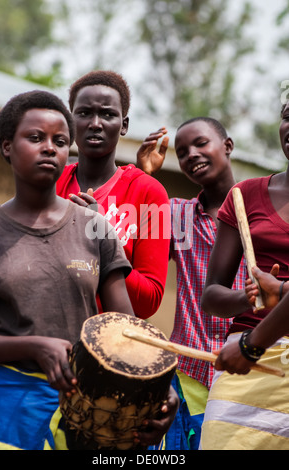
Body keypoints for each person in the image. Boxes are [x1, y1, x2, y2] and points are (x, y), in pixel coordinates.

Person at [0, 90, 171, 451]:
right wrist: (32, 347)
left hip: (90, 413)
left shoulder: (96, 228)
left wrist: (160, 394)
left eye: (59, 141)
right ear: (7, 146)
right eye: (35, 138)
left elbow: (129, 333)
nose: (49, 148)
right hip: (6, 409)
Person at [136, 118, 247, 450]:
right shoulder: (176, 215)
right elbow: (132, 238)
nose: (192, 155)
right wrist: (144, 176)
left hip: (250, 370)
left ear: (227, 145)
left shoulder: (260, 209)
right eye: (182, 152)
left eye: (201, 143)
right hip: (188, 374)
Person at [200, 99, 289, 450]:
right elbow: (211, 296)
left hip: (250, 349)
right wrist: (249, 297)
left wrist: (280, 292)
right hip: (244, 368)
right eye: (287, 116)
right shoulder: (246, 195)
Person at [56, 70, 171, 320]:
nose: (95, 123)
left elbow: (149, 301)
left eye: (108, 114)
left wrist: (102, 238)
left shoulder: (151, 193)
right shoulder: (52, 183)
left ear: (124, 125)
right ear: (70, 121)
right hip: (48, 336)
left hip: (110, 344)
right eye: (84, 113)